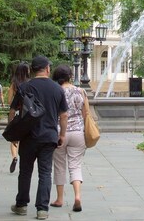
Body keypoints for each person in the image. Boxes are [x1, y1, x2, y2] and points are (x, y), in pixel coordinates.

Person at [10, 56, 67, 220]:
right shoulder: (57, 89)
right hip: (49, 137)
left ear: (33, 70)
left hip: (28, 136)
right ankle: (42, 209)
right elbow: (64, 115)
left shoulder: (25, 87)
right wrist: (62, 135)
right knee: (45, 172)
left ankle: (21, 205)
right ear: (47, 69)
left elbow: (13, 111)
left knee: (25, 171)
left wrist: (14, 133)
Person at [50, 65, 88, 212]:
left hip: (60, 132)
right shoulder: (81, 91)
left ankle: (59, 199)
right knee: (75, 165)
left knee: (59, 166)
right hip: (78, 132)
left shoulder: (55, 91)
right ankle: (77, 196)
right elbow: (86, 114)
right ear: (70, 76)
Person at [7, 62, 29, 173]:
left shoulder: (14, 84)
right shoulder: (29, 84)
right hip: (28, 115)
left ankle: (14, 157)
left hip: (17, 114)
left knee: (14, 139)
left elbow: (10, 101)